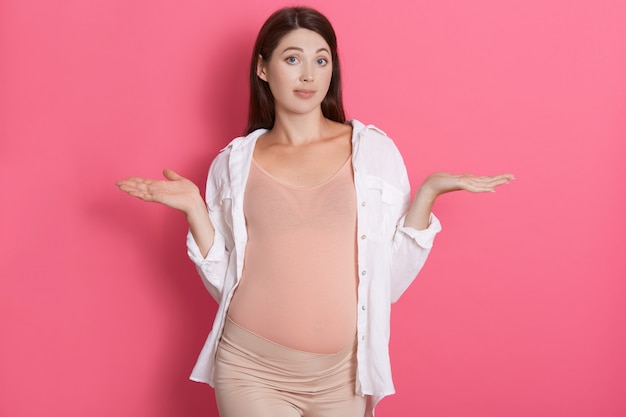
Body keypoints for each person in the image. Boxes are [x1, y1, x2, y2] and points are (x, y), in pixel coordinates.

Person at [116, 6, 513, 417]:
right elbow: (225, 281)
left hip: (343, 376)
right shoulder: (233, 163)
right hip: (251, 368)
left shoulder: (373, 151)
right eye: (292, 59)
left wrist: (428, 194)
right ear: (263, 69)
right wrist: (194, 209)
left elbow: (386, 283)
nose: (309, 74)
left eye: (321, 60)